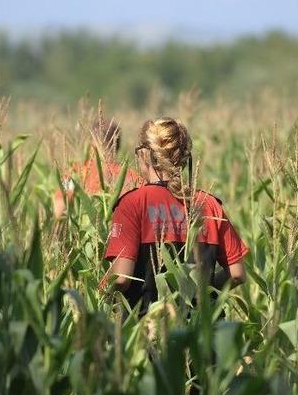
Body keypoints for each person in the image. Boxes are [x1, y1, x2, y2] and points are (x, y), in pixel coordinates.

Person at [103, 117, 247, 316]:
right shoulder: (210, 204)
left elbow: (120, 278)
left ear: (145, 154)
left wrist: (98, 293)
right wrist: (200, 291)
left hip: (147, 329)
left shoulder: (133, 203)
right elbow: (238, 274)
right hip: (198, 329)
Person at [53, 117, 142, 218]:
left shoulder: (73, 173)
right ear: (117, 145)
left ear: (92, 143)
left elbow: (58, 211)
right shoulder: (133, 178)